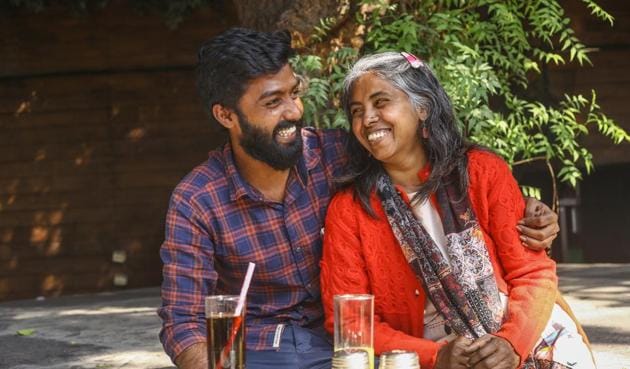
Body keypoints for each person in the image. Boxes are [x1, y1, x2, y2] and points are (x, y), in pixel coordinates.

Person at [158, 28, 560, 369]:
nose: (295, 111)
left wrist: (528, 209)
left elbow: (428, 162)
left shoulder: (338, 153)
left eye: (294, 93)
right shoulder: (197, 201)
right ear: (226, 116)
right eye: (272, 102)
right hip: (264, 351)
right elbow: (183, 324)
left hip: (347, 347)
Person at [320, 51, 595, 369]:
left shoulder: (481, 172)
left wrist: (510, 344)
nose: (367, 119)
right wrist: (435, 357)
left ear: (422, 107)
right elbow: (351, 322)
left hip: (522, 335)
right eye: (357, 111)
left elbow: (532, 274)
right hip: (426, 356)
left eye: (381, 103)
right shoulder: (350, 209)